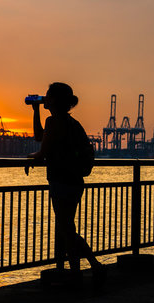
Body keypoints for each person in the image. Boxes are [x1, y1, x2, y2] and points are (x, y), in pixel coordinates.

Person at [27, 82, 106, 284]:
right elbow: (40, 137)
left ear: (54, 99)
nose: (44, 97)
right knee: (67, 227)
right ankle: (86, 267)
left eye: (47, 95)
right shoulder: (70, 122)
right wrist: (36, 111)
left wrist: (30, 157)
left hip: (61, 181)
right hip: (74, 181)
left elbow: (42, 151)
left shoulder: (55, 122)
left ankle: (82, 270)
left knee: (66, 229)